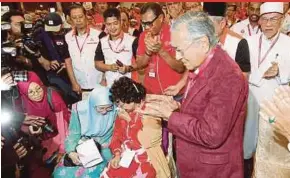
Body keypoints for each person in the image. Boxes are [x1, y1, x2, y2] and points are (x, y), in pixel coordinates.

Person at [139, 11, 248, 178]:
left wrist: (170, 116)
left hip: (213, 171)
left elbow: (211, 134)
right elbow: (204, 109)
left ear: (203, 43)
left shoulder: (228, 76)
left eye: (180, 50)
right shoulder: (203, 62)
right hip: (194, 163)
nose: (177, 56)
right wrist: (177, 108)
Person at [246, 2, 290, 177]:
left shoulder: (289, 43)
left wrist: (281, 71)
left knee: (269, 149)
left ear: (282, 20)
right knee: (248, 144)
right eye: (265, 19)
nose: (269, 24)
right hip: (250, 100)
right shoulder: (248, 42)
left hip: (274, 104)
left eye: (274, 19)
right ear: (260, 21)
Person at [101, 77, 170, 178]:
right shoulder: (123, 113)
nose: (120, 108)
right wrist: (117, 154)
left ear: (131, 98)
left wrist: (130, 121)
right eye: (118, 104)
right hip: (127, 155)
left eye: (122, 104)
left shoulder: (150, 111)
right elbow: (117, 135)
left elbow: (146, 141)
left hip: (148, 157)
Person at [53, 84, 117, 178]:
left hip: (104, 146)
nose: (105, 112)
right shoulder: (80, 110)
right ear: (92, 104)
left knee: (93, 174)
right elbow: (74, 134)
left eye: (108, 107)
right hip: (82, 144)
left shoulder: (115, 111)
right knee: (63, 174)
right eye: (101, 108)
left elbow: (117, 133)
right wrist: (71, 152)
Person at [15, 71, 70, 164]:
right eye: (31, 92)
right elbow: (19, 125)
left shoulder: (52, 96)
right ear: (24, 93)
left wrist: (62, 149)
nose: (37, 94)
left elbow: (63, 125)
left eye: (38, 88)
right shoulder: (20, 103)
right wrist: (29, 129)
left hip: (61, 133)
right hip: (42, 139)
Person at [35, 12, 80, 105]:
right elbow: (38, 55)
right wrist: (49, 62)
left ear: (62, 24)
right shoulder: (40, 36)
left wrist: (67, 64)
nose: (53, 31)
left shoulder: (69, 34)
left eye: (55, 27)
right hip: (54, 74)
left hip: (72, 69)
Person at [65, 4, 104, 97]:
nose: (78, 20)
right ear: (70, 19)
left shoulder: (99, 35)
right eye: (74, 17)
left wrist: (104, 80)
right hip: (80, 87)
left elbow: (107, 58)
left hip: (99, 84)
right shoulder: (67, 37)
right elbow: (68, 62)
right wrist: (73, 83)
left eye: (80, 16)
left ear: (85, 16)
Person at [95, 8, 138, 87]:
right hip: (110, 86)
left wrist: (128, 68)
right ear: (105, 24)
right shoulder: (102, 42)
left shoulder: (132, 40)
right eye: (109, 24)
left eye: (115, 23)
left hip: (128, 87)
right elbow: (97, 64)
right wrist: (109, 67)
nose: (112, 27)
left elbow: (140, 64)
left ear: (121, 22)